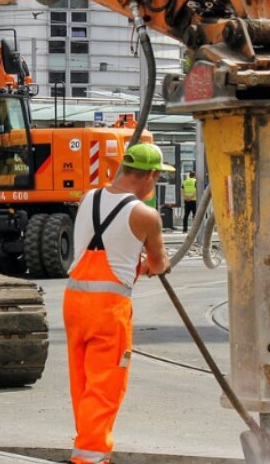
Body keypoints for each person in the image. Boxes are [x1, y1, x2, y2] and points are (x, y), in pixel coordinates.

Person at [64, 142, 171, 464]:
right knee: (105, 386)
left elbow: (106, 247)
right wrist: (149, 265)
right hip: (108, 310)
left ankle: (86, 449)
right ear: (149, 176)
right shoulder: (145, 215)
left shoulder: (88, 198)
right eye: (158, 179)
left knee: (82, 383)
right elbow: (159, 263)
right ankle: (90, 459)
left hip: (74, 302)